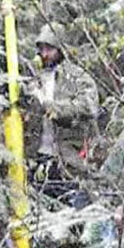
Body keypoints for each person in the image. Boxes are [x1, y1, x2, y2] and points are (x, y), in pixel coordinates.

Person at [23, 22, 101, 178]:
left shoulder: (77, 76)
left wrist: (56, 109)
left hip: (68, 159)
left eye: (49, 49)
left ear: (61, 50)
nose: (44, 54)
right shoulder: (33, 78)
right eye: (41, 49)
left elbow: (90, 106)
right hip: (36, 157)